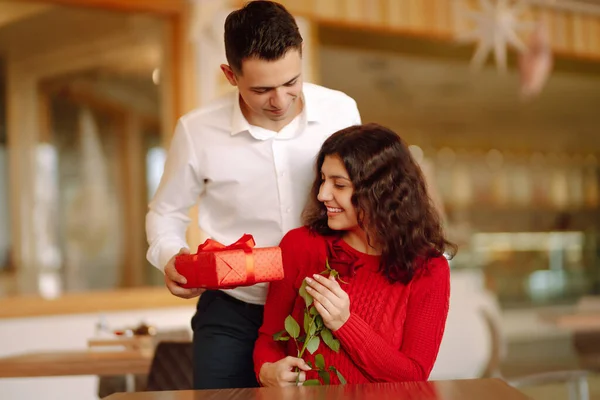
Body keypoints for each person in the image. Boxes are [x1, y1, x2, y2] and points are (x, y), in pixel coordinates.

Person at [145, 0, 361, 390]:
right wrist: (170, 257)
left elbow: (366, 199)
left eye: (291, 82)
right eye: (262, 89)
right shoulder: (197, 131)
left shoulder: (341, 111)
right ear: (230, 75)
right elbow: (165, 212)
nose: (280, 100)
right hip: (232, 308)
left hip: (319, 304)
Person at [254, 123, 456, 386]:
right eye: (323, 180)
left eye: (339, 185)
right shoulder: (299, 245)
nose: (322, 194)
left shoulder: (430, 269)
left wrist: (344, 323)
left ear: (381, 191)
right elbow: (270, 338)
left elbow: (413, 376)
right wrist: (266, 371)